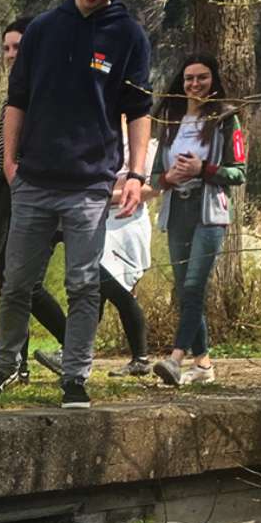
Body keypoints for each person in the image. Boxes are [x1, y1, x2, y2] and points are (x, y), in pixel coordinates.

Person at [0, 0, 152, 409]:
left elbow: (138, 111)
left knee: (82, 285)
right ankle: (7, 365)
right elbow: (18, 101)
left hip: (90, 186)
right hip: (32, 181)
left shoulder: (129, 37)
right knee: (16, 285)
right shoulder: (43, 30)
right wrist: (10, 164)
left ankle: (75, 376)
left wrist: (135, 173)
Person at [0, 16, 67, 383]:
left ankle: (74, 346)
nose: (12, 55)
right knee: (10, 283)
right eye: (7, 48)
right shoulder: (10, 102)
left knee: (26, 285)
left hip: (40, 202)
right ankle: (17, 365)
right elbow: (1, 164)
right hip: (6, 204)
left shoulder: (51, 96)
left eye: (19, 47)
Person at [149, 55, 246, 386]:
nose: (194, 84)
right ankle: (203, 365)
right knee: (185, 290)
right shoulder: (170, 120)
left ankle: (176, 359)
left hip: (210, 213)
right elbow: (156, 177)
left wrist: (202, 169)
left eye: (202, 78)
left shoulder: (226, 119)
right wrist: (172, 178)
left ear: (213, 81)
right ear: (182, 82)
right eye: (189, 78)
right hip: (177, 210)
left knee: (193, 286)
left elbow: (239, 172)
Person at [99, 124, 158, 376]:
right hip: (98, 219)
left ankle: (141, 357)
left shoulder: (148, 145)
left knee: (115, 285)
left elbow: (153, 187)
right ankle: (72, 349)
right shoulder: (99, 137)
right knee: (93, 283)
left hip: (127, 222)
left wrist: (108, 195)